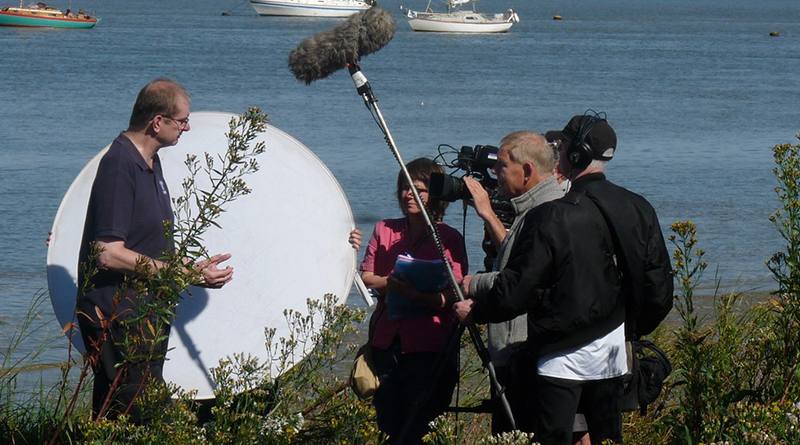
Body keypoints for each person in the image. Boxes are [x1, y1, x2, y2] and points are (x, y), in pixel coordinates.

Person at [455, 113, 673, 445]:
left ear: (576, 154)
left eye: (562, 146)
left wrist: (478, 310)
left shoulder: (553, 214)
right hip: (613, 358)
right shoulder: (639, 207)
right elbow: (659, 292)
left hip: (559, 362)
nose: (557, 152)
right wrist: (625, 330)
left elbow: (519, 290)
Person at [76, 78, 234, 423]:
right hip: (116, 315)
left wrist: (192, 267)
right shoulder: (120, 165)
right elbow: (107, 252)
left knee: (129, 413)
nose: (187, 127)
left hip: (143, 311)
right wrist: (180, 274)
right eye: (182, 121)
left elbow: (147, 244)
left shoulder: (150, 162)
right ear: (157, 122)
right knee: (133, 416)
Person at [460, 131, 566, 434]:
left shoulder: (544, 213)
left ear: (528, 170)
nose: (495, 174)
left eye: (501, 166)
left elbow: (521, 279)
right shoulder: (531, 209)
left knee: (515, 433)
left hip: (523, 352)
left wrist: (474, 285)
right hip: (519, 353)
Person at [358, 157, 468, 444]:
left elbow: (454, 297)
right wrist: (394, 284)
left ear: (436, 194)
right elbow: (366, 276)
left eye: (418, 189)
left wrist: (416, 295)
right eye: (405, 187)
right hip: (387, 343)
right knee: (389, 423)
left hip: (429, 346)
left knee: (420, 428)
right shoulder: (385, 229)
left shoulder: (449, 238)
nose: (409, 194)